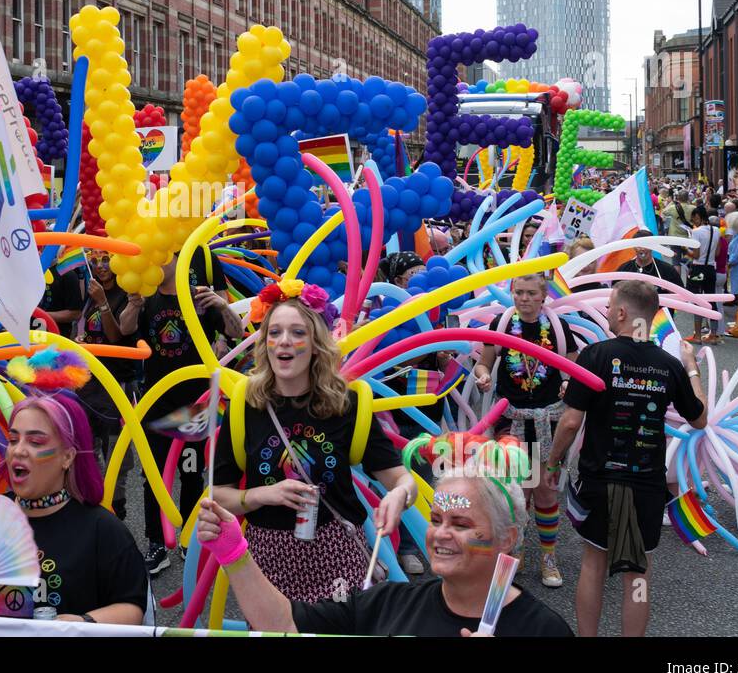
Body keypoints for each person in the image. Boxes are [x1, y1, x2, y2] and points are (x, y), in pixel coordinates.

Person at [210, 283, 415, 601]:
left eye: (297, 332)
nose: (284, 341)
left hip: (338, 556)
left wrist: (399, 496)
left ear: (317, 343)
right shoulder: (245, 405)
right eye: (274, 332)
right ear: (265, 344)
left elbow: (401, 479)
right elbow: (218, 495)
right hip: (269, 560)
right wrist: (264, 494)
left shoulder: (347, 403)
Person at [194, 470, 572, 636]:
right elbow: (283, 626)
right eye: (436, 518)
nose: (440, 533)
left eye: (460, 524)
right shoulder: (387, 603)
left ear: (506, 539)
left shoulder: (543, 629)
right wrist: (233, 551)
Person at [547, 281, 707, 637]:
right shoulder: (669, 365)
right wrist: (691, 367)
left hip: (600, 478)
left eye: (608, 306)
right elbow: (699, 418)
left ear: (622, 313)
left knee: (594, 563)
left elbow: (571, 421)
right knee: (638, 574)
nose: (605, 312)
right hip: (646, 483)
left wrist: (553, 462)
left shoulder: (596, 355)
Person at [0, 393, 149, 623]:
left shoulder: (103, 529)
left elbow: (133, 608)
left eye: (35, 442)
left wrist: (82, 623)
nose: (18, 450)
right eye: (13, 439)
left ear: (67, 457)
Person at [122, 251, 243, 575]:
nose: (155, 265)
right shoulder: (145, 297)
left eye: (162, 259)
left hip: (195, 403)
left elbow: (237, 331)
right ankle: (156, 544)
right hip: (155, 401)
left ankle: (191, 540)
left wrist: (221, 305)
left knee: (192, 475)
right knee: (153, 478)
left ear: (177, 259)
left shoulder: (199, 298)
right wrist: (133, 305)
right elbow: (124, 329)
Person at [473, 272, 578, 586]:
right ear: (512, 293)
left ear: (543, 295)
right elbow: (484, 362)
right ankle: (513, 554)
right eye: (519, 292)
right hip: (511, 419)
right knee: (514, 493)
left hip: (548, 420)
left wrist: (567, 383)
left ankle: (548, 558)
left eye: (532, 293)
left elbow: (573, 368)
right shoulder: (502, 325)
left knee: (545, 490)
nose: (525, 299)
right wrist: (482, 377)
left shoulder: (559, 329)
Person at [72, 249, 138, 519]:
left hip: (116, 384)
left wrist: (102, 302)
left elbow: (116, 337)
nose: (100, 266)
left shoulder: (128, 294)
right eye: (95, 261)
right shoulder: (90, 293)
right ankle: (97, 505)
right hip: (89, 385)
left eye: (106, 259)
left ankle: (116, 509)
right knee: (90, 447)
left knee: (117, 456)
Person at [685, 206, 720, 343]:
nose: (693, 221)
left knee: (697, 300)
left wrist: (685, 249)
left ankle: (698, 335)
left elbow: (696, 254)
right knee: (711, 299)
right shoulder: (716, 230)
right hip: (711, 268)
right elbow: (717, 253)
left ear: (699, 216)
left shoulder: (696, 232)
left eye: (694, 218)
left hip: (698, 268)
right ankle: (714, 335)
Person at [616, 230, 683, 290]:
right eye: (639, 245)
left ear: (653, 246)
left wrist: (669, 289)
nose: (642, 248)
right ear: (634, 247)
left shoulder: (667, 270)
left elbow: (682, 294)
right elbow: (614, 293)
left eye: (646, 245)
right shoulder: (624, 269)